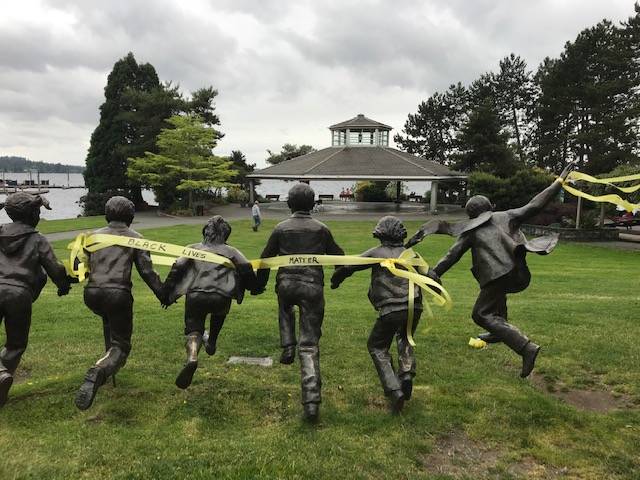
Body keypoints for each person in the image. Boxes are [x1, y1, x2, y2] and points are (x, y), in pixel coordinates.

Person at [405, 161, 578, 378]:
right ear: (490, 207)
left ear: (471, 215)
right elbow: (535, 204)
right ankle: (497, 333)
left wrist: (435, 273)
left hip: (498, 275)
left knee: (481, 314)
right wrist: (558, 181)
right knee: (497, 300)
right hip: (517, 270)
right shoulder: (507, 216)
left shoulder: (471, 230)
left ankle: (526, 347)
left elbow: (452, 255)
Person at [254, 183, 344, 422]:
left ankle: (287, 344)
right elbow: (339, 257)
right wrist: (337, 278)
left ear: (289, 204)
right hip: (312, 287)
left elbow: (265, 257)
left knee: (284, 308)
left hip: (286, 284)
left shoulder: (281, 228)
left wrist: (259, 284)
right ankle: (311, 401)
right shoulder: (321, 229)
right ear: (313, 204)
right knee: (310, 345)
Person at [331, 216, 432, 413]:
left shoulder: (377, 252)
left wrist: (336, 278)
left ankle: (394, 389)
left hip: (391, 308)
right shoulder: (411, 254)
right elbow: (431, 275)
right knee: (405, 337)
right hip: (414, 306)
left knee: (377, 346)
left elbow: (351, 266)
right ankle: (406, 374)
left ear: (381, 233)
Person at [75, 196, 165, 410]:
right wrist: (163, 294)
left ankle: (106, 364)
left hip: (92, 294)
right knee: (121, 345)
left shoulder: (92, 237)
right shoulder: (135, 238)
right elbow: (147, 271)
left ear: (107, 215)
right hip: (117, 294)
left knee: (110, 322)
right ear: (131, 217)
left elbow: (79, 263)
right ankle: (100, 370)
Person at [161, 215, 257, 389]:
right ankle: (211, 341)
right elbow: (246, 267)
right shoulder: (231, 251)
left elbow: (177, 267)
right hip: (221, 295)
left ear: (206, 232)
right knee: (218, 314)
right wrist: (254, 287)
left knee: (193, 330)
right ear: (225, 235)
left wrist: (166, 292)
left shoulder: (192, 248)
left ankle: (192, 356)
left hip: (196, 295)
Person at [0, 193, 72, 407]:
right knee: (15, 344)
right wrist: (64, 285)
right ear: (33, 214)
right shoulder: (38, 239)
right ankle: (2, 377)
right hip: (19, 295)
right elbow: (55, 268)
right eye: (38, 212)